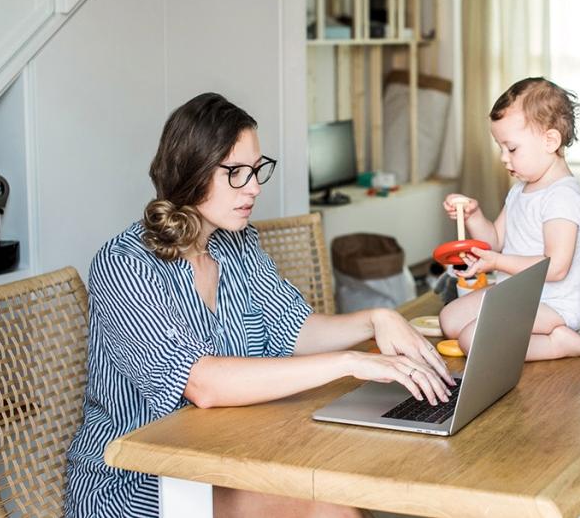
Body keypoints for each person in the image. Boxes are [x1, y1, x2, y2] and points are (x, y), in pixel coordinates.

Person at [64, 92, 455, 518]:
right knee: (328, 507)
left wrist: (378, 320)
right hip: (140, 480)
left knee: (351, 473)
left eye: (255, 171)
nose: (253, 188)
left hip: (234, 453)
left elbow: (296, 329)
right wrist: (348, 362)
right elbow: (203, 386)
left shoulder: (238, 244)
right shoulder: (124, 266)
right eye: (235, 173)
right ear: (191, 172)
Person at [438, 77, 580, 361]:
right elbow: (495, 241)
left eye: (512, 148)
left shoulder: (562, 197)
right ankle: (528, 335)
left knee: (471, 340)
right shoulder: (520, 191)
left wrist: (496, 263)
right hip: (514, 295)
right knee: (449, 320)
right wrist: (474, 215)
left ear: (550, 141)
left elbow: (555, 269)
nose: (504, 158)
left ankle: (558, 343)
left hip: (552, 306)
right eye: (500, 148)